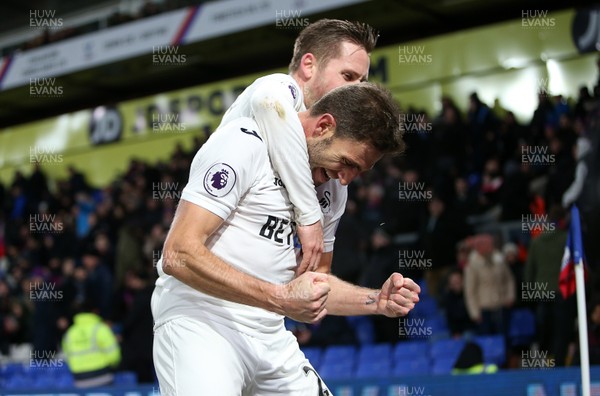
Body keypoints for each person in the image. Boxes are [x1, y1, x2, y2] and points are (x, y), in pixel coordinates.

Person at [152, 83, 421, 395]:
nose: (346, 178)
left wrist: (375, 301)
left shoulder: (333, 191)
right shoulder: (245, 143)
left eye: (358, 171)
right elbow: (178, 254)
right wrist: (278, 298)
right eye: (348, 162)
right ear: (323, 126)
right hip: (200, 323)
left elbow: (313, 285)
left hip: (270, 334)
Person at [220, 19, 377, 275]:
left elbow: (317, 278)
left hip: (261, 304)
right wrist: (309, 216)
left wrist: (374, 300)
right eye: (348, 76)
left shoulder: (330, 161)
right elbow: (269, 103)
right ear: (308, 65)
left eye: (362, 82)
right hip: (205, 294)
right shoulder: (279, 88)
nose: (357, 90)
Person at [61, 302, 121, 388]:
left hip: (79, 379)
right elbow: (114, 356)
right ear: (95, 312)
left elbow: (66, 356)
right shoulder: (101, 329)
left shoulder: (70, 333)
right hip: (103, 377)